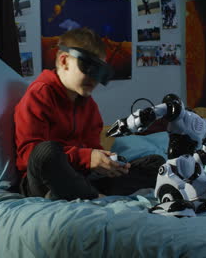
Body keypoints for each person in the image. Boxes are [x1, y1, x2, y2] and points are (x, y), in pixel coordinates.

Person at [14, 27, 164, 200]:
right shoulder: (40, 94)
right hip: (43, 181)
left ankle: (87, 193)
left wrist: (105, 163)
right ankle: (93, 196)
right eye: (89, 67)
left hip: (82, 177)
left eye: (100, 71)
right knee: (46, 151)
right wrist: (87, 157)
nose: (95, 79)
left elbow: (92, 149)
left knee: (155, 163)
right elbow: (29, 155)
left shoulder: (89, 105)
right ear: (64, 61)